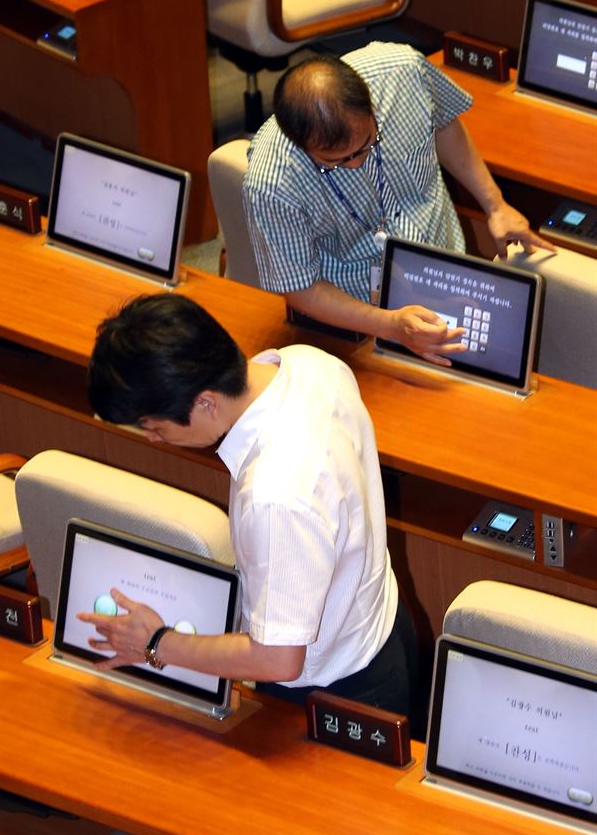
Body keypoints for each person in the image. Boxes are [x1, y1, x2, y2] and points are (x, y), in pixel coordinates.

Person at [79, 293, 418, 719]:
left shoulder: (275, 494)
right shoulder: (308, 363)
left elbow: (278, 659)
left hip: (337, 691)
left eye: (155, 426)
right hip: (380, 619)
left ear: (205, 401)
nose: (153, 439)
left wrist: (157, 642)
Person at [243, 42, 555, 365]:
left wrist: (495, 204)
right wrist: (389, 324)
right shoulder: (271, 183)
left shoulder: (405, 72)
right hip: (354, 321)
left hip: (444, 261)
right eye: (334, 161)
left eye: (366, 144)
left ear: (370, 104)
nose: (356, 164)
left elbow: (443, 124)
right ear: (298, 143)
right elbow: (301, 288)